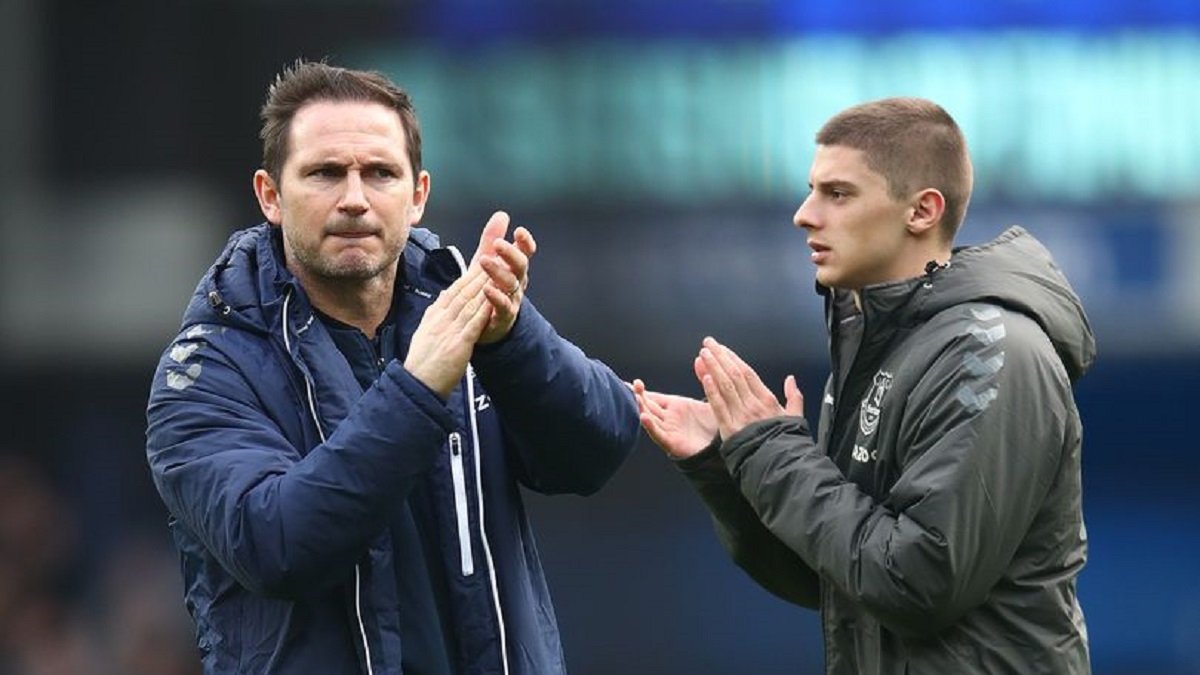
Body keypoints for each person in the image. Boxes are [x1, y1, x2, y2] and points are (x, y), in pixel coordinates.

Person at [145, 60, 640, 675]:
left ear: (417, 195)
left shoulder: (462, 308)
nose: (355, 199)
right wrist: (416, 389)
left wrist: (513, 340)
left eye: (380, 173)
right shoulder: (205, 370)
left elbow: (596, 449)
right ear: (270, 196)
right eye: (325, 173)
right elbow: (276, 545)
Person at [633, 97, 1094, 674]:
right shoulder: (878, 347)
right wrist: (728, 462)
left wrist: (774, 453)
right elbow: (833, 577)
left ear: (922, 211)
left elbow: (917, 583)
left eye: (838, 194)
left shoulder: (991, 353)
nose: (804, 214)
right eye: (811, 190)